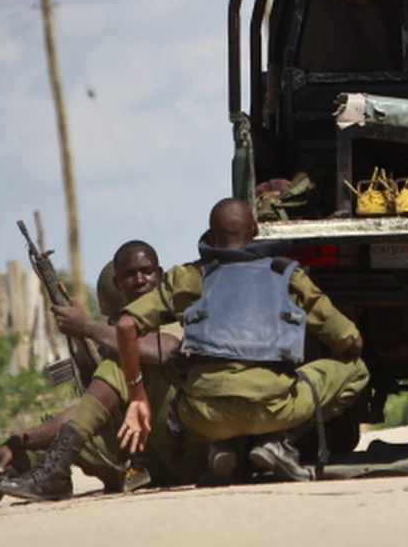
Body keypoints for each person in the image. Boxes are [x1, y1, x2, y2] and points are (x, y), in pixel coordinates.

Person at [0, 242, 200, 510]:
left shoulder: (179, 318)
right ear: (117, 286)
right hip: (142, 462)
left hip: (183, 450)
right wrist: (20, 440)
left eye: (146, 272)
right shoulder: (112, 341)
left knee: (119, 363)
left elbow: (163, 352)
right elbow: (86, 410)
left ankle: (48, 473)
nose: (139, 281)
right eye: (129, 275)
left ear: (160, 275)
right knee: (45, 444)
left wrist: (86, 327)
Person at [115, 198, 369, 483]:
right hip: (274, 409)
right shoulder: (286, 275)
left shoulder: (188, 278)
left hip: (205, 416)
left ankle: (223, 447)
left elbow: (125, 325)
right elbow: (349, 339)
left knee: (181, 368)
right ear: (256, 230)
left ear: (211, 236)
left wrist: (136, 394)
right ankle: (279, 442)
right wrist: (341, 349)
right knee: (357, 370)